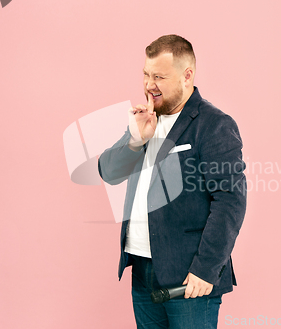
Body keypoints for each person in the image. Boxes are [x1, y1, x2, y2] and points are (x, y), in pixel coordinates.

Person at [98, 34, 246, 328]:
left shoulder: (214, 124)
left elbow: (230, 201)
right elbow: (109, 172)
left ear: (187, 75)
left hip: (189, 277)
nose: (149, 85)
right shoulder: (146, 119)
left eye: (159, 77)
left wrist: (206, 270)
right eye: (145, 74)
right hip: (142, 270)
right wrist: (134, 141)